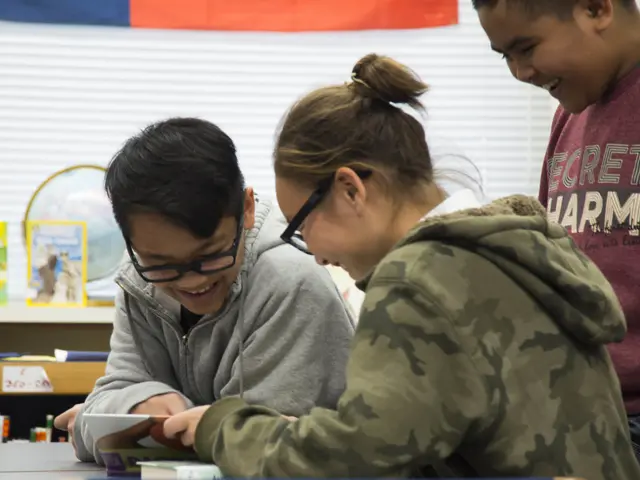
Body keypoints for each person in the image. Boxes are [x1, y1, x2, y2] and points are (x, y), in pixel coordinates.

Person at [162, 54, 640, 478]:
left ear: (350, 189)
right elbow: (423, 435)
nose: (317, 254)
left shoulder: (420, 277)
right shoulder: (500, 248)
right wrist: (317, 432)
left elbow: (351, 465)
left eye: (301, 226)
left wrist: (223, 425)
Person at [53, 118, 356, 463]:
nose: (190, 281)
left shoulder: (292, 284)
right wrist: (136, 405)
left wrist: (113, 426)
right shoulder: (140, 279)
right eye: (161, 262)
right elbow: (104, 413)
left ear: (247, 208)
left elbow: (258, 451)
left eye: (210, 255)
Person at [472, 0, 640, 455]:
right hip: (582, 403)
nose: (520, 71)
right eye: (504, 55)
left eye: (526, 47)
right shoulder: (571, 113)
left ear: (595, 8)